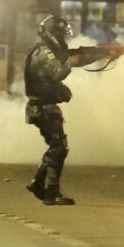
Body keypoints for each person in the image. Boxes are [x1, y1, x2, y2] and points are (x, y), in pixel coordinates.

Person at [22, 15, 105, 206]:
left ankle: (38, 184)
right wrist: (71, 62)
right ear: (51, 33)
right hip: (43, 108)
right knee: (59, 148)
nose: (63, 38)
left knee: (56, 147)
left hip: (43, 107)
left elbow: (73, 58)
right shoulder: (43, 53)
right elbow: (58, 72)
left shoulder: (46, 50)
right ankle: (51, 192)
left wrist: (101, 55)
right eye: (60, 33)